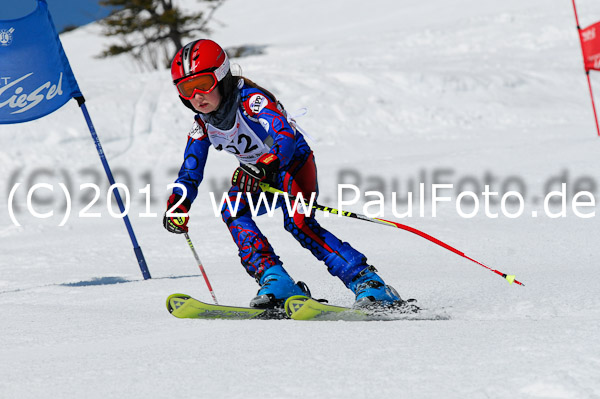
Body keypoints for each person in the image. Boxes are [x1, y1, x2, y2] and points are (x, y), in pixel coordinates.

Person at [163, 39, 409, 310]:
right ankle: (276, 279)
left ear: (221, 77)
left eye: (204, 84)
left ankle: (368, 281)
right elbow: (189, 172)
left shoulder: (252, 101)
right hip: (256, 173)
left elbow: (285, 137)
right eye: (187, 88)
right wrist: (179, 204)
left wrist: (266, 165)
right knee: (232, 208)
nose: (197, 95)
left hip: (292, 163)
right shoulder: (202, 126)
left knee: (298, 223)